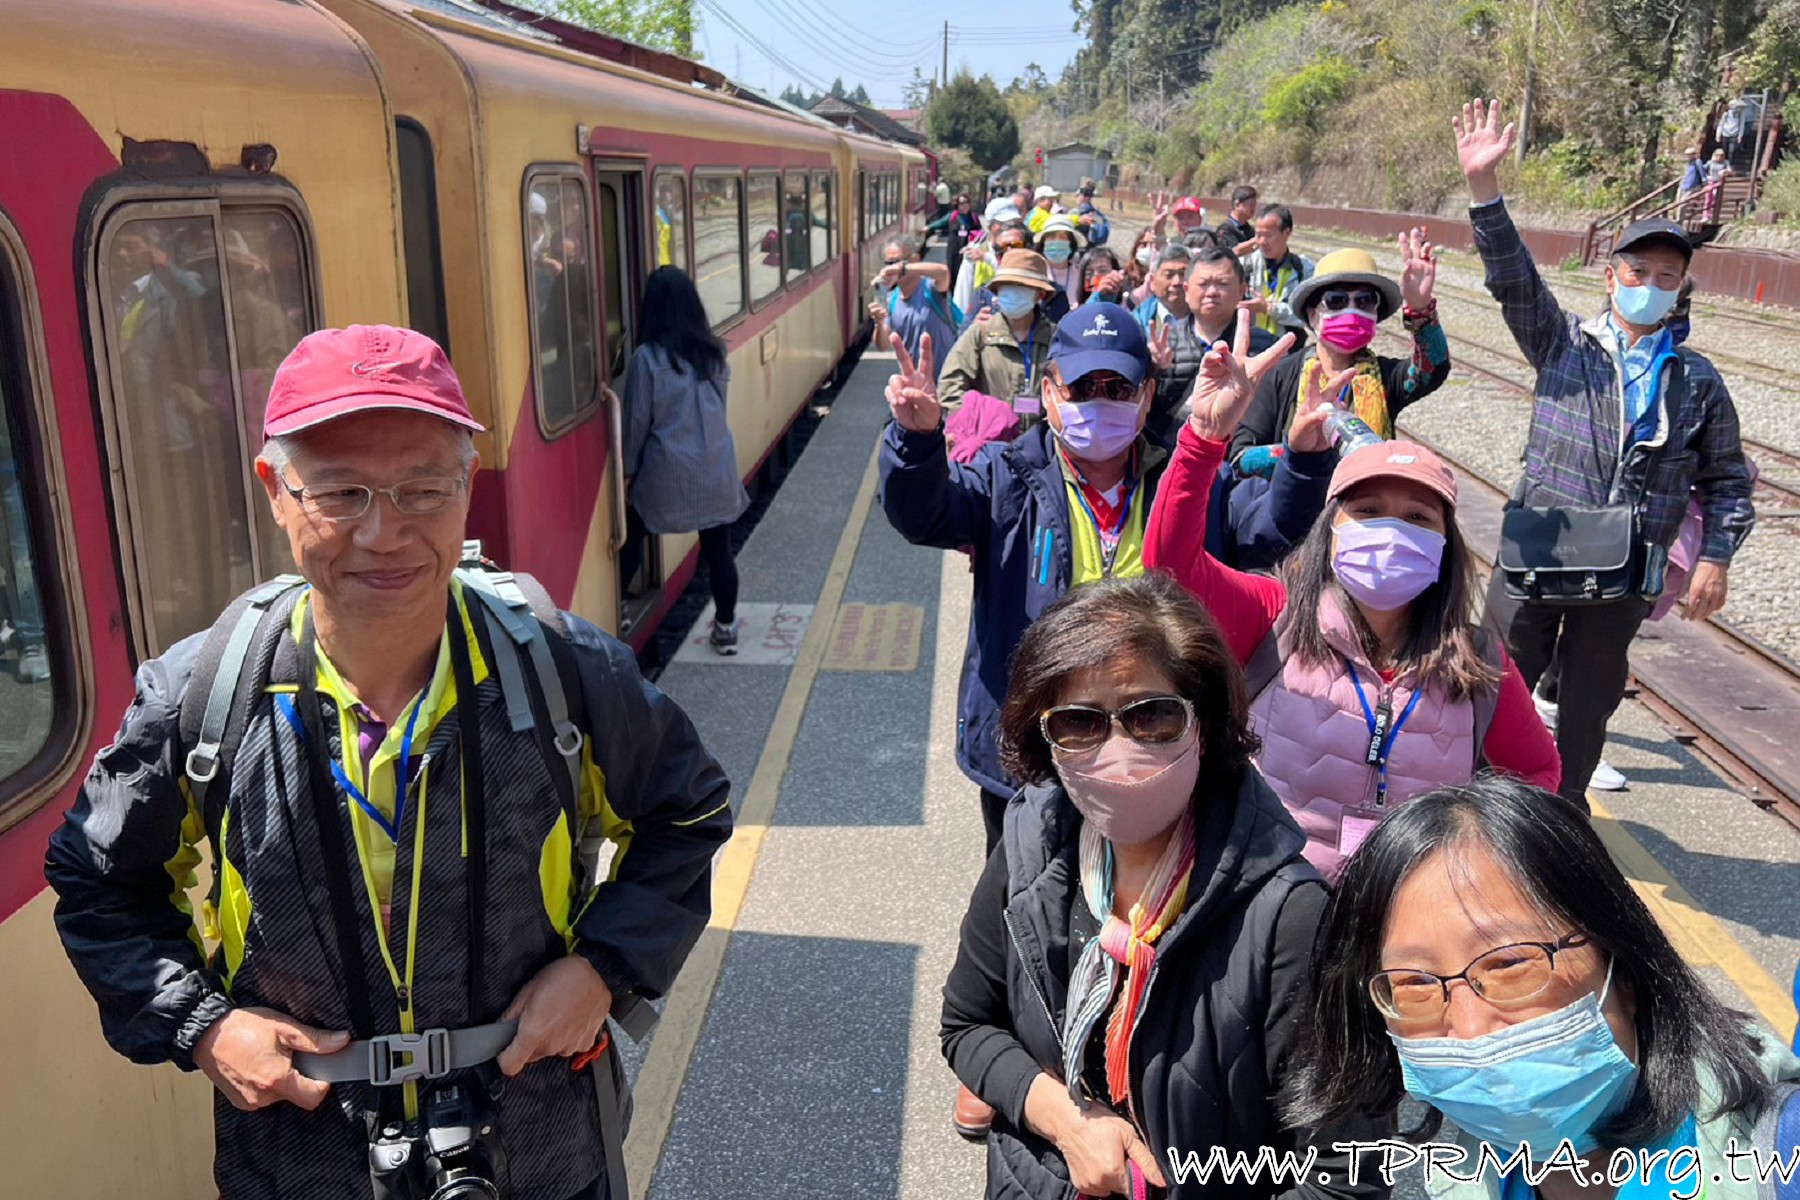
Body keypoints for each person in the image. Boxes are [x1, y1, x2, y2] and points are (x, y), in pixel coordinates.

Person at [46, 324, 734, 1200]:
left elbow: (690, 810)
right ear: (276, 491)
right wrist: (205, 1029)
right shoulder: (204, 696)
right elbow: (97, 877)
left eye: (424, 489)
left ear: (466, 486)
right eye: (341, 493)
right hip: (303, 1161)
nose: (384, 533)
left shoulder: (563, 672)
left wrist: (604, 968)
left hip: (539, 1152)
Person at [939, 573, 1382, 1199]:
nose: (1117, 750)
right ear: (1047, 739)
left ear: (1205, 723)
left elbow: (1348, 1177)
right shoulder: (1032, 842)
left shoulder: (1290, 918)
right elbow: (967, 1025)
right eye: (1078, 723)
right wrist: (1068, 1123)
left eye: (1151, 716)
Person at [1144, 313, 1560, 878]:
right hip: (1274, 906)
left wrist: (1479, 859)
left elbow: (1537, 772)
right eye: (1367, 512)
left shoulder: (1478, 660)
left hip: (1407, 920)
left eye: (1417, 517)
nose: (1391, 529)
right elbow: (1171, 565)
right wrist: (1204, 438)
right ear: (1331, 528)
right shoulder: (1273, 618)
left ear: (1445, 545)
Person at [1287, 775, 1800, 1199]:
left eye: (1511, 965)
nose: (1469, 1030)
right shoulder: (1471, 1176)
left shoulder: (1779, 1160)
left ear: (1622, 965)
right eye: (1414, 983)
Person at [1455, 97, 1754, 808]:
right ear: (1610, 275)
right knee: (1498, 678)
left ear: (1680, 290)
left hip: (1629, 566)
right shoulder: (1564, 345)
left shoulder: (1698, 379)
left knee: (1588, 703)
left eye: (1666, 277)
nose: (1650, 287)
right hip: (1542, 549)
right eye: (1638, 271)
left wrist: (1715, 558)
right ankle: (1474, 801)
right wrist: (1483, 191)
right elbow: (1511, 278)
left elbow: (1728, 481)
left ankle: (1561, 811)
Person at [1229, 238, 1450, 467]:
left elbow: (1432, 369)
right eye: (1336, 301)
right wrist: (1300, 451)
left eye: (1365, 301)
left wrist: (1421, 309)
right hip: (1297, 499)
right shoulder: (1280, 375)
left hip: (1365, 499)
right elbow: (1241, 457)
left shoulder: (1385, 376)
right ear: (1312, 314)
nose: (1351, 310)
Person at [624, 267, 751, 654]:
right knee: (719, 551)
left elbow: (636, 422)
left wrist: (628, 471)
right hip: (715, 468)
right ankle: (726, 629)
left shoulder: (647, 359)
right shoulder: (715, 353)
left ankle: (618, 610)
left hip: (668, 471)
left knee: (632, 533)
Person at [1139, 244, 1279, 449]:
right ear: (1186, 290)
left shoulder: (1267, 349)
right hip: (1171, 459)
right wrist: (1152, 370)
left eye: (1222, 283)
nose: (1212, 292)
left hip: (1237, 462)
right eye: (1203, 284)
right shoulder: (1162, 342)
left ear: (1242, 290)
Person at [938, 249, 1061, 426]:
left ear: (1039, 294)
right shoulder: (980, 333)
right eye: (1007, 286)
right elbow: (950, 386)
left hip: (1041, 445)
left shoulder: (1054, 338)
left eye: (1021, 287)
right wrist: (976, 425)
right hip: (991, 443)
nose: (1012, 293)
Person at [869, 233, 957, 363]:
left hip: (946, 379)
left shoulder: (931, 288)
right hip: (915, 379)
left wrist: (902, 268)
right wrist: (879, 323)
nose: (893, 267)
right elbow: (883, 346)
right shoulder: (891, 300)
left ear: (915, 260)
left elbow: (943, 272)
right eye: (889, 263)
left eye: (899, 261)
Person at [1244, 203, 1315, 341]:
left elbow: (1309, 315)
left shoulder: (1304, 269)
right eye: (1258, 235)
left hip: (1288, 350)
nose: (1262, 242)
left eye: (1268, 235)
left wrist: (1270, 309)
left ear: (1286, 233)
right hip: (1250, 346)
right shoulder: (1246, 264)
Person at [928, 192, 983, 291]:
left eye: (966, 203)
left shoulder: (973, 217)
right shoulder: (953, 216)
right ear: (957, 206)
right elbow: (940, 223)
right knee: (953, 271)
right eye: (961, 204)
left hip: (969, 249)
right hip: (954, 249)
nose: (964, 206)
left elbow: (979, 232)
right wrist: (928, 227)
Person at [1034, 214, 1086, 310]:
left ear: (1071, 243)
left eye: (1062, 237)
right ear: (1043, 243)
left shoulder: (1081, 273)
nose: (1056, 242)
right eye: (1051, 237)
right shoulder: (1035, 271)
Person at [1216, 185, 1258, 250]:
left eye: (1255, 205)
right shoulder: (1225, 229)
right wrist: (1256, 240)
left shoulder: (1250, 230)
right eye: (1251, 205)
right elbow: (1233, 251)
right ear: (1237, 204)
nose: (1253, 209)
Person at [1071, 181, 1111, 246]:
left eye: (1077, 196)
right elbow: (1102, 237)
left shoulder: (1073, 213)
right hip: (1092, 249)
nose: (1076, 198)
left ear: (1083, 197)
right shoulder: (1099, 216)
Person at [1677, 146, 1708, 220]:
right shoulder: (1689, 163)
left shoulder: (1698, 162)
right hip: (1684, 184)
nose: (1688, 156)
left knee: (1683, 203)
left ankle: (1680, 219)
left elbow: (1702, 173)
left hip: (1693, 185)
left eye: (1690, 154)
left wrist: (1704, 182)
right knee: (1678, 202)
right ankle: (1678, 217)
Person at [1704, 147, 1732, 222]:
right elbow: (1703, 169)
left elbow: (1730, 171)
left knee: (1715, 197)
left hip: (1719, 182)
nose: (1720, 157)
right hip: (1711, 181)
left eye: (1722, 155)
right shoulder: (1710, 162)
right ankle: (1706, 215)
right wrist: (1706, 177)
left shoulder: (1725, 163)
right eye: (1718, 155)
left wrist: (1725, 171)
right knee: (1708, 198)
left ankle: (1713, 214)